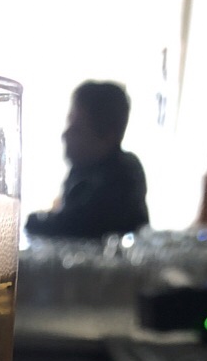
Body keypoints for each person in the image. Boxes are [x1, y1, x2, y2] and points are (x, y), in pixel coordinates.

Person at [25, 81, 149, 241]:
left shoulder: (124, 173)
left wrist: (35, 220)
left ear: (109, 136)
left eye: (76, 128)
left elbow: (78, 225)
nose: (65, 134)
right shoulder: (80, 170)